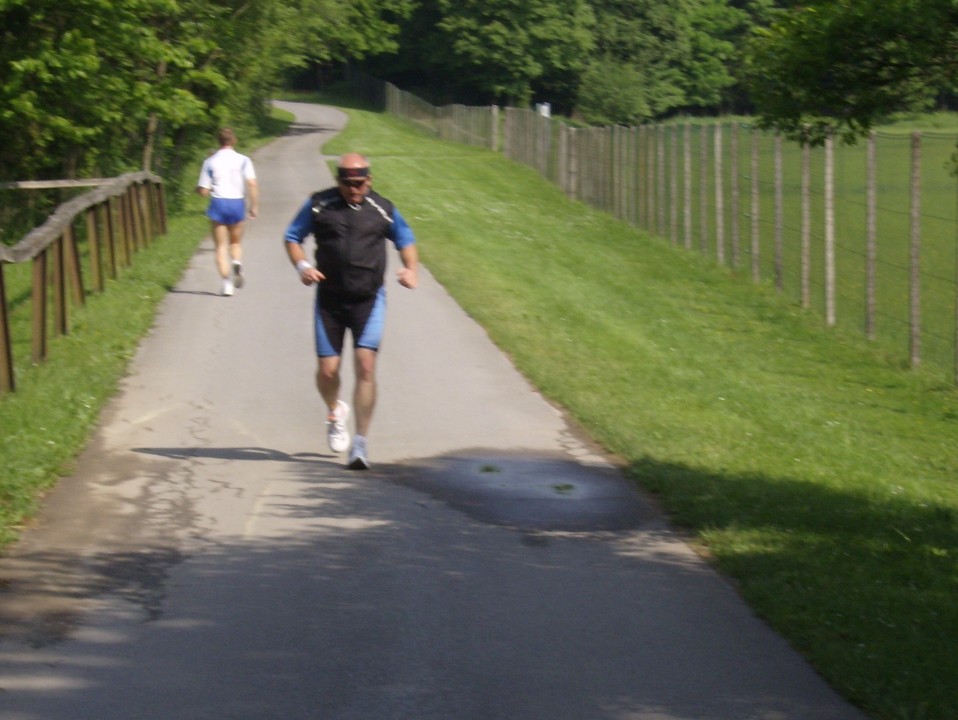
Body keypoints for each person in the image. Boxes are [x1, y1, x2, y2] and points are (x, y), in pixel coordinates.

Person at [283, 153, 419, 470]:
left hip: (368, 300)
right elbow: (292, 237)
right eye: (348, 183)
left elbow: (406, 238)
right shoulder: (319, 205)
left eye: (360, 184)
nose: (354, 189)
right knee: (329, 371)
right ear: (338, 180)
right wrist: (302, 265)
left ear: (369, 181)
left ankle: (360, 444)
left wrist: (411, 268)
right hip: (329, 300)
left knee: (366, 365)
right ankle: (335, 411)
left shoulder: (382, 208)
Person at [196, 128, 259, 296]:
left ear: (219, 141)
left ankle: (226, 284)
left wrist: (198, 190)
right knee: (236, 243)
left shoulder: (210, 161)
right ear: (234, 141)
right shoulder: (244, 160)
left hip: (218, 203)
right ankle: (237, 262)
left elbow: (203, 191)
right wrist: (254, 205)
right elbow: (252, 184)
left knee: (220, 247)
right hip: (237, 203)